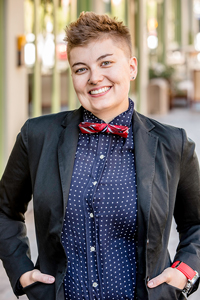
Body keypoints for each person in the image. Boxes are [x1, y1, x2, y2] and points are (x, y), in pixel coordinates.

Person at [0, 11, 200, 300]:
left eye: (106, 63)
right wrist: (20, 271)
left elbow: (196, 223)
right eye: (81, 69)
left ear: (131, 67)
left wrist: (184, 271)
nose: (95, 77)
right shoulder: (37, 136)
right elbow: (5, 210)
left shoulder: (173, 143)